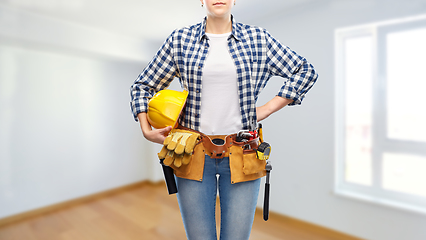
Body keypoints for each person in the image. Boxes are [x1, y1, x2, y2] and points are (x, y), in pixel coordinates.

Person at [130, 0, 318, 239]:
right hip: (191, 153)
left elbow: (305, 71)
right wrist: (146, 129)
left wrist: (268, 108)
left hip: (244, 153)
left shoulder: (258, 39)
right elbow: (142, 86)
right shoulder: (180, 40)